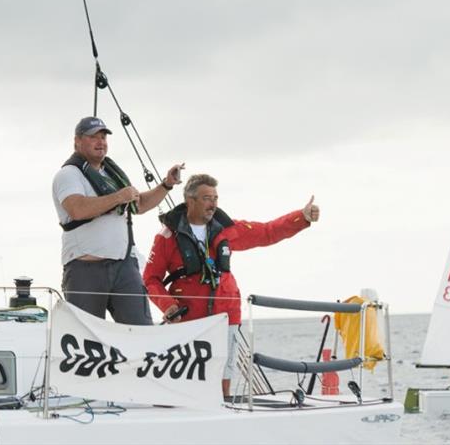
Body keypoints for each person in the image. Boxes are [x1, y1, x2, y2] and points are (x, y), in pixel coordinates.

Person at [143, 173, 320, 396]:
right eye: (207, 198)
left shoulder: (227, 229)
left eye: (216, 198)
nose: (213, 203)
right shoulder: (167, 237)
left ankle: (222, 410)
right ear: (191, 201)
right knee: (186, 380)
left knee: (223, 377)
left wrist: (301, 218)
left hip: (226, 314)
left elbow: (267, 232)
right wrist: (167, 306)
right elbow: (150, 279)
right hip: (187, 318)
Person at [52, 116, 184, 325]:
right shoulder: (68, 175)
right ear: (77, 141)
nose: (100, 142)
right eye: (93, 137)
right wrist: (119, 197)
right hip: (85, 269)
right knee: (88, 338)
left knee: (141, 333)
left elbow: (138, 205)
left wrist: (167, 184)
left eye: (103, 137)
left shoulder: (110, 175)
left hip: (124, 268)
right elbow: (77, 209)